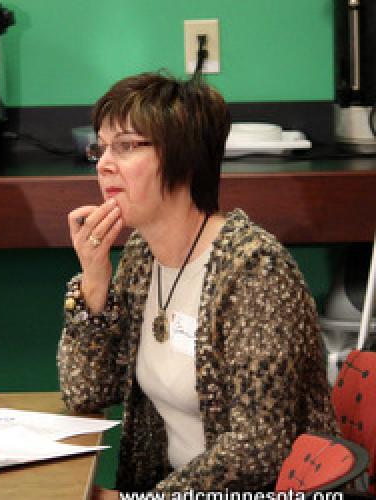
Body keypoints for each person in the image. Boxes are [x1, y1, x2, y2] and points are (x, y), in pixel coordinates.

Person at [57, 72, 337, 493]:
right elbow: (85, 391)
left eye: (127, 146)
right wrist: (94, 284)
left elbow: (259, 451)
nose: (104, 163)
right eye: (102, 146)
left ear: (184, 158)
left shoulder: (253, 270)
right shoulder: (139, 258)